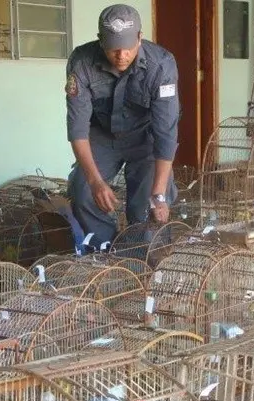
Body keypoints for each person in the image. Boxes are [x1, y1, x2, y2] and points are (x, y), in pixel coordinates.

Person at [65, 3, 180, 249]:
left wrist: (159, 195)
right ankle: (105, 252)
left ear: (140, 37)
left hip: (145, 138)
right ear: (100, 41)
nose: (121, 55)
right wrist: (96, 182)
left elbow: (166, 133)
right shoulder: (81, 62)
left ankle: (140, 261)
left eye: (128, 47)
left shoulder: (162, 65)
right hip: (102, 136)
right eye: (113, 48)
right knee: (83, 191)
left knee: (144, 207)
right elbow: (77, 129)